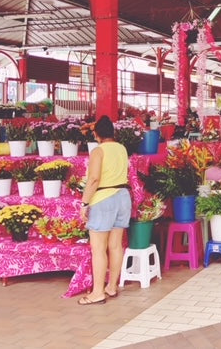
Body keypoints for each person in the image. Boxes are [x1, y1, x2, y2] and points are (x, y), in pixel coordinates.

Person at [78, 115, 132, 305]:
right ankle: (111, 286)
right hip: (123, 197)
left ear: (96, 134)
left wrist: (84, 203)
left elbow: (93, 179)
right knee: (116, 245)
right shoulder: (121, 148)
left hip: (104, 199)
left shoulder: (98, 152)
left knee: (98, 248)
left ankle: (97, 292)